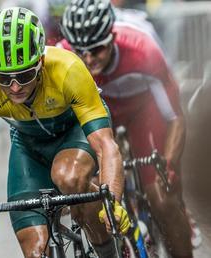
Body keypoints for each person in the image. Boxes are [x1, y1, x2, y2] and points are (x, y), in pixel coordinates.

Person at [0, 7, 130, 258]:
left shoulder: (68, 68)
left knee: (68, 176)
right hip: (28, 146)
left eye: (25, 74)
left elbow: (106, 146)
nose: (15, 86)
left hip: (73, 131)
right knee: (35, 252)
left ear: (40, 62)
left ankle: (111, 252)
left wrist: (112, 202)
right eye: (3, 78)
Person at [59, 0, 194, 257]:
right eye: (80, 51)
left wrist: (169, 166)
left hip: (142, 110)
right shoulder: (61, 55)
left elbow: (175, 117)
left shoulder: (143, 50)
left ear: (112, 37)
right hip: (97, 115)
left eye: (96, 49)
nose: (88, 59)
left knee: (162, 197)